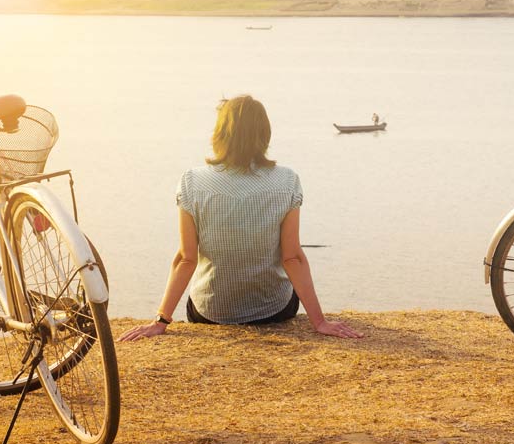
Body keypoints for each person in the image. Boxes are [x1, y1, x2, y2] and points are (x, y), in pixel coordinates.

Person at [120, 95, 362, 341]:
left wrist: (161, 321)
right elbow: (292, 257)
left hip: (210, 312)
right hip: (274, 310)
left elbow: (186, 259)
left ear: (220, 134)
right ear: (264, 134)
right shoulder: (287, 180)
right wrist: (319, 322)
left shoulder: (192, 182)